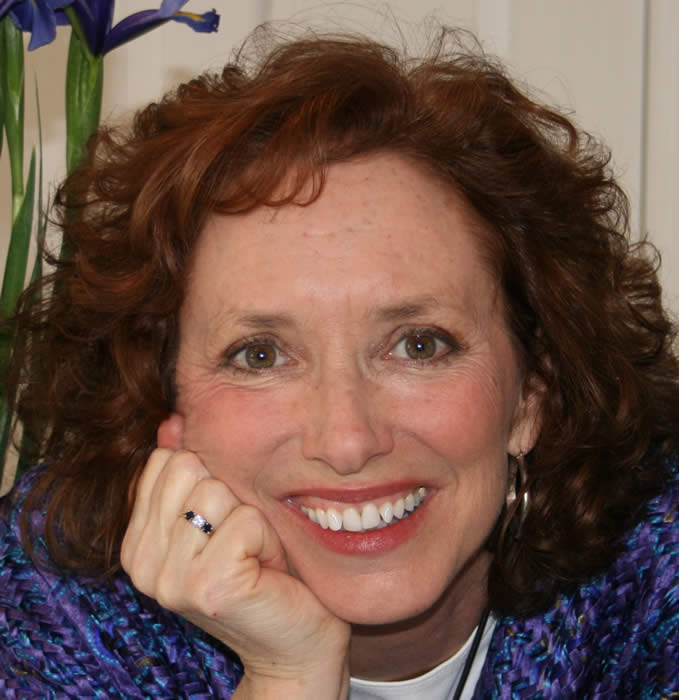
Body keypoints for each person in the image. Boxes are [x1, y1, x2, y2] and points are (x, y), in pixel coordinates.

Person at [1, 25, 678, 699]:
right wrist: (287, 676)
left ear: (530, 398)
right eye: (260, 355)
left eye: (418, 344)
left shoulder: (657, 578)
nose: (348, 440)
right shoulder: (46, 614)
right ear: (159, 401)